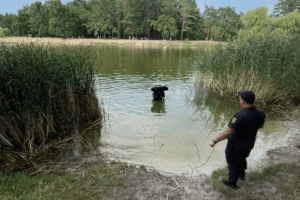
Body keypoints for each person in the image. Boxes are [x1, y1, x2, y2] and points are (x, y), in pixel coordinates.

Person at [210, 91, 265, 190]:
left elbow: (228, 132)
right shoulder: (261, 113)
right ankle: (241, 175)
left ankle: (232, 182)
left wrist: (215, 141)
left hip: (236, 145)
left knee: (232, 161)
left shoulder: (239, 116)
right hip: (250, 143)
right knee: (242, 158)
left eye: (240, 99)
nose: (239, 100)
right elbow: (260, 126)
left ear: (243, 101)